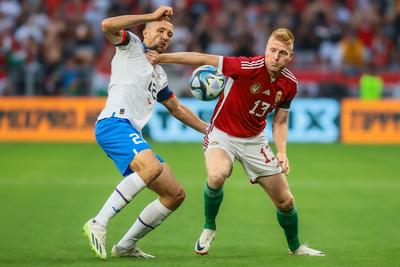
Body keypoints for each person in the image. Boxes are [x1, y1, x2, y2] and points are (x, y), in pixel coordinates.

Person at [147, 28, 325, 256]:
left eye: (282, 53)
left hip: (255, 141)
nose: (275, 57)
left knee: (285, 201)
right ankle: (209, 227)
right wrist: (162, 58)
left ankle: (296, 247)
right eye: (272, 50)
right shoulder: (246, 67)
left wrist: (282, 152)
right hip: (222, 135)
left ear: (290, 57)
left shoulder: (290, 84)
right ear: (265, 49)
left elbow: (280, 122)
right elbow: (202, 58)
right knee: (217, 175)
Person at [82, 6, 208, 260]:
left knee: (174, 194)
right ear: (145, 31)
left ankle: (126, 246)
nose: (165, 36)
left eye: (170, 34)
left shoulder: (159, 72)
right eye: (160, 30)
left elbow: (177, 108)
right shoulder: (132, 46)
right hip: (114, 123)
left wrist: (210, 131)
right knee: (150, 168)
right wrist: (151, 15)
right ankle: (99, 222)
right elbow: (107, 24)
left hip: (130, 130)